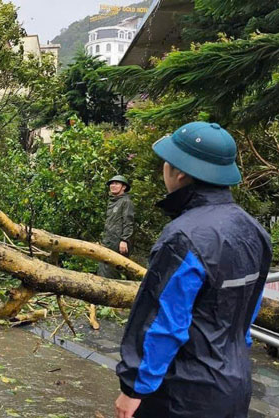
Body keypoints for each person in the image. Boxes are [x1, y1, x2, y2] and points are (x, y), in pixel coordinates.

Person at [114, 122, 272, 418]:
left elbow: (163, 322)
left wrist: (134, 387)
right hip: (234, 384)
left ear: (181, 172)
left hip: (182, 394)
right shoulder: (255, 232)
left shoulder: (183, 237)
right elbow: (247, 312)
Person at [98, 175, 135, 279]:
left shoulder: (126, 202)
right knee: (103, 268)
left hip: (118, 242)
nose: (113, 186)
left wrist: (124, 240)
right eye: (111, 183)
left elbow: (128, 222)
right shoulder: (113, 201)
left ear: (123, 187)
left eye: (116, 183)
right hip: (108, 240)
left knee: (112, 271)